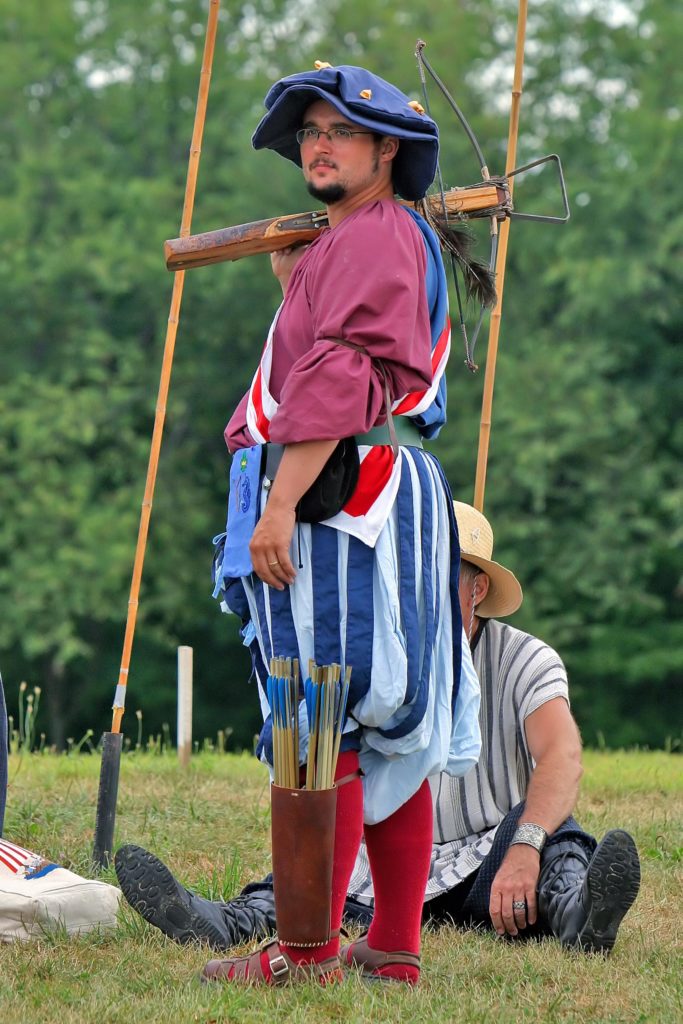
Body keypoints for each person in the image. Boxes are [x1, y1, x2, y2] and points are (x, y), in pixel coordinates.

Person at [190, 62, 481, 986]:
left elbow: (345, 375)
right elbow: (338, 351)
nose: (317, 144)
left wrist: (279, 505)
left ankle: (307, 951)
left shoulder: (375, 235)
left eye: (339, 131)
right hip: (379, 484)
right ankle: (391, 951)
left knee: (324, 713)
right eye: (309, 131)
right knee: (380, 721)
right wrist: (299, 284)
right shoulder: (366, 237)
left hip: (343, 491)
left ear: (386, 149)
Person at [116, 502, 641, 958]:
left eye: (436, 570)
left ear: (477, 588)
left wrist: (525, 846)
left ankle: (581, 917)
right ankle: (221, 923)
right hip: (386, 865)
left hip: (493, 863)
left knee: (557, 836)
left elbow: (562, 757)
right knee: (316, 866)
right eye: (408, 568)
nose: (416, 587)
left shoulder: (526, 658)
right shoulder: (382, 658)